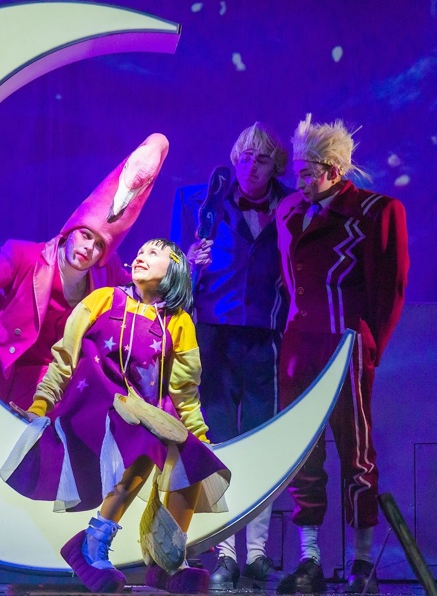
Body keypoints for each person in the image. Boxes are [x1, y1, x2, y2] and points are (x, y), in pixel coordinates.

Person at [1, 238, 230, 595]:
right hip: (93, 408)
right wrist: (41, 405)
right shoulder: (102, 299)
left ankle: (168, 558)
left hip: (143, 415)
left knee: (192, 454)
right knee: (145, 438)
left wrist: (198, 433)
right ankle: (93, 543)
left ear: (174, 269)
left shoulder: (179, 321)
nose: (141, 256)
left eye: (153, 253)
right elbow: (64, 358)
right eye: (140, 251)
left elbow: (184, 389)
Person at [274, 115, 408, 595]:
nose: (299, 182)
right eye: (297, 172)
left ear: (333, 170)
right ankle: (309, 559)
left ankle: (361, 563)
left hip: (345, 347)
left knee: (357, 452)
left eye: (307, 173)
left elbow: (390, 288)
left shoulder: (376, 211)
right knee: (302, 452)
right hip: (299, 349)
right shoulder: (290, 210)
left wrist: (367, 347)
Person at [0, 134, 168, 410]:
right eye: (85, 235)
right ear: (69, 231)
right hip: (13, 385)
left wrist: (182, 267)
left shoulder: (106, 273)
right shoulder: (23, 258)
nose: (88, 248)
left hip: (68, 385)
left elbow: (145, 293)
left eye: (98, 245)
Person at [170, 122, 291, 589]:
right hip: (212, 335)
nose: (251, 167)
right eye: (244, 157)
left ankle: (257, 553)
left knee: (262, 440)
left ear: (275, 165)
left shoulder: (291, 205)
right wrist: (186, 260)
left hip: (264, 335)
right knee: (217, 442)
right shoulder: (198, 201)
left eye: (261, 159)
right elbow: (172, 269)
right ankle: (223, 550)